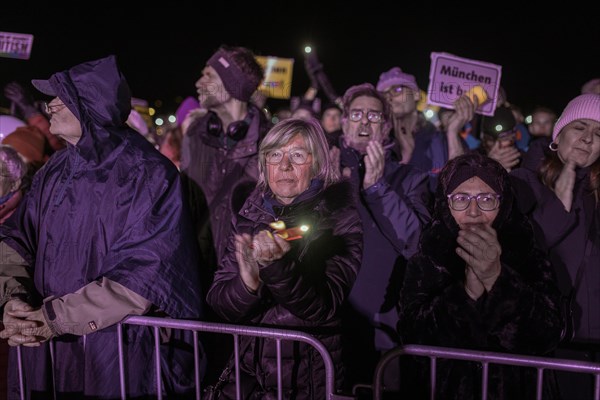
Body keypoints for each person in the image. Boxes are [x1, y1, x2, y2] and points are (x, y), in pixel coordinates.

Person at [0, 55, 205, 399]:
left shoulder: (149, 174)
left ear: (90, 107)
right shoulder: (56, 168)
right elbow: (16, 240)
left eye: (61, 99)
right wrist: (12, 300)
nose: (49, 106)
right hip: (45, 352)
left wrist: (55, 318)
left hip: (115, 355)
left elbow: (145, 276)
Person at [206, 118, 363, 399]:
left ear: (317, 164)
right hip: (247, 377)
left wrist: (276, 267)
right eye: (275, 155)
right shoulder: (248, 214)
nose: (284, 165)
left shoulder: (340, 218)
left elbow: (322, 307)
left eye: (297, 155)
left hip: (305, 378)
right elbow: (219, 302)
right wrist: (247, 284)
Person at [398, 152, 563, 399]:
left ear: (503, 202)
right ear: (446, 203)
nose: (473, 212)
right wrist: (466, 293)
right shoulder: (429, 259)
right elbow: (413, 335)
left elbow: (547, 333)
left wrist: (497, 279)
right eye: (461, 199)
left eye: (486, 198)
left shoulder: (528, 255)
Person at [334, 83, 430, 391]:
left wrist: (377, 189)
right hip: (331, 325)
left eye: (374, 116)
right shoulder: (325, 174)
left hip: (386, 331)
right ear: (344, 121)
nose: (364, 122)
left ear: (386, 127)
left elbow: (416, 241)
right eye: (356, 114)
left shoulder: (409, 178)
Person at [510, 93, 600, 399]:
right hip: (552, 341)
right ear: (558, 134)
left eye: (599, 133)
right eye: (580, 127)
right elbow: (520, 254)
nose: (588, 138)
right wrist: (559, 207)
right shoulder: (525, 181)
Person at [180, 44, 271, 287]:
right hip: (195, 270)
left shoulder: (270, 142)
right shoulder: (194, 134)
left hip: (243, 276)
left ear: (232, 84)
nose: (199, 82)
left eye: (208, 75)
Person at [376, 67, 473, 193]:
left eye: (397, 89)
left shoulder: (442, 138)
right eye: (383, 95)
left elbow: (462, 185)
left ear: (416, 94)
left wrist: (452, 133)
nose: (389, 97)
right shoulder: (380, 143)